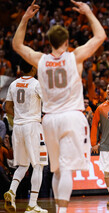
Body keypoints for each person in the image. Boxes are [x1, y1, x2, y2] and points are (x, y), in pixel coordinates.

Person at [11, 1, 106, 212]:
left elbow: (17, 45)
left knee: (56, 170)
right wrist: (88, 12)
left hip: (49, 119)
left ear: (49, 41)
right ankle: (63, 211)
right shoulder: (75, 57)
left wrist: (25, 18)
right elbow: (100, 37)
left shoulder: (40, 60)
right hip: (71, 116)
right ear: (67, 41)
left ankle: (58, 209)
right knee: (65, 169)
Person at [4, 65, 48, 213]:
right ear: (33, 69)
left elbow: (7, 107)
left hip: (18, 127)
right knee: (38, 165)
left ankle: (12, 191)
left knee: (23, 165)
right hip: (33, 127)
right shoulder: (36, 84)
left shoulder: (13, 84)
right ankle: (32, 205)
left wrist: (19, 116)